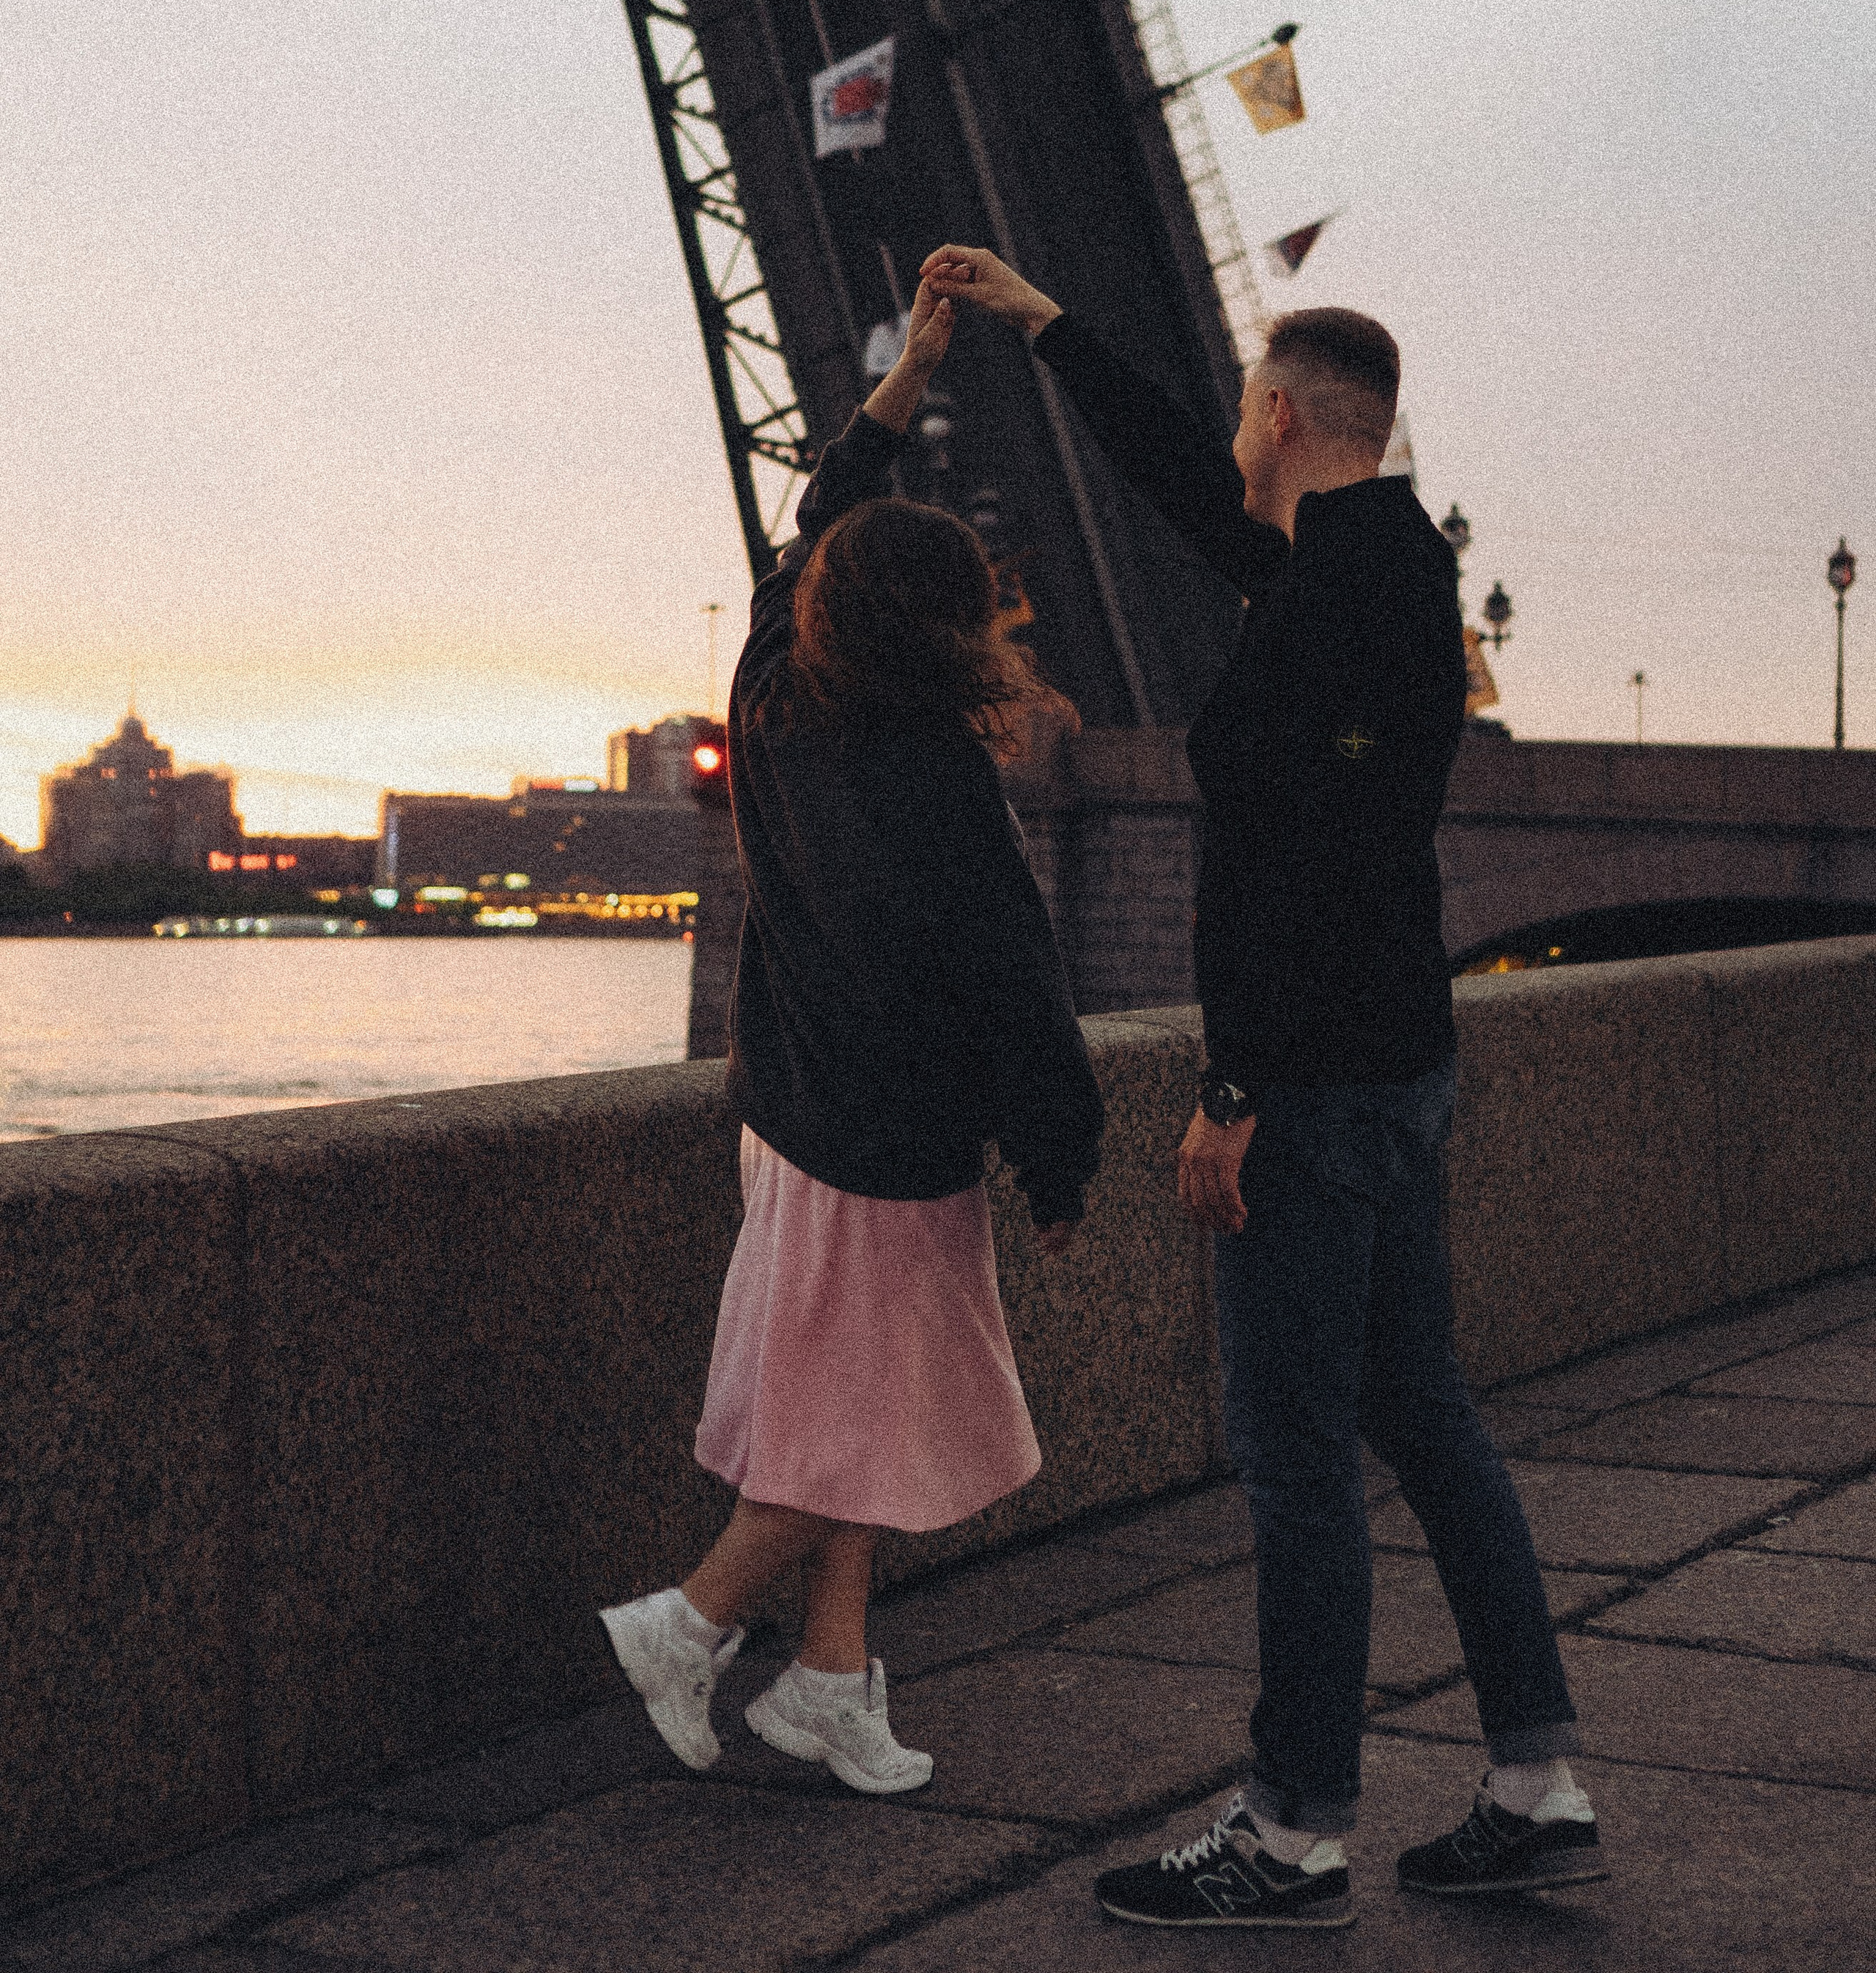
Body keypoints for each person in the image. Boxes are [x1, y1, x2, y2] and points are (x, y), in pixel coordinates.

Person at [922, 246, 1603, 1929]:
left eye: (1244, 405)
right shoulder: (1375, 572)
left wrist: (1231, 1091)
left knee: (1294, 1459)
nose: (1230, 431)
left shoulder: (1332, 605)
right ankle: (1533, 1782)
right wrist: (1048, 320)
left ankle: (1292, 1830)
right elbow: (1177, 489)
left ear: (1287, 414)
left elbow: (1306, 871)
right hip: (1394, 1063)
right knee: (1427, 1419)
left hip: (1311, 1085)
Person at [599, 276, 1104, 1795]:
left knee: (853, 1402)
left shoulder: (767, 689)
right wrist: (1064, 1158)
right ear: (952, 628)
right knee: (854, 1421)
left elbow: (813, 521)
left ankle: (828, 1679)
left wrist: (899, 388)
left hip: (788, 1114)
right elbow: (1017, 989)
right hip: (890, 1148)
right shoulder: (938, 783)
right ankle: (686, 1626)